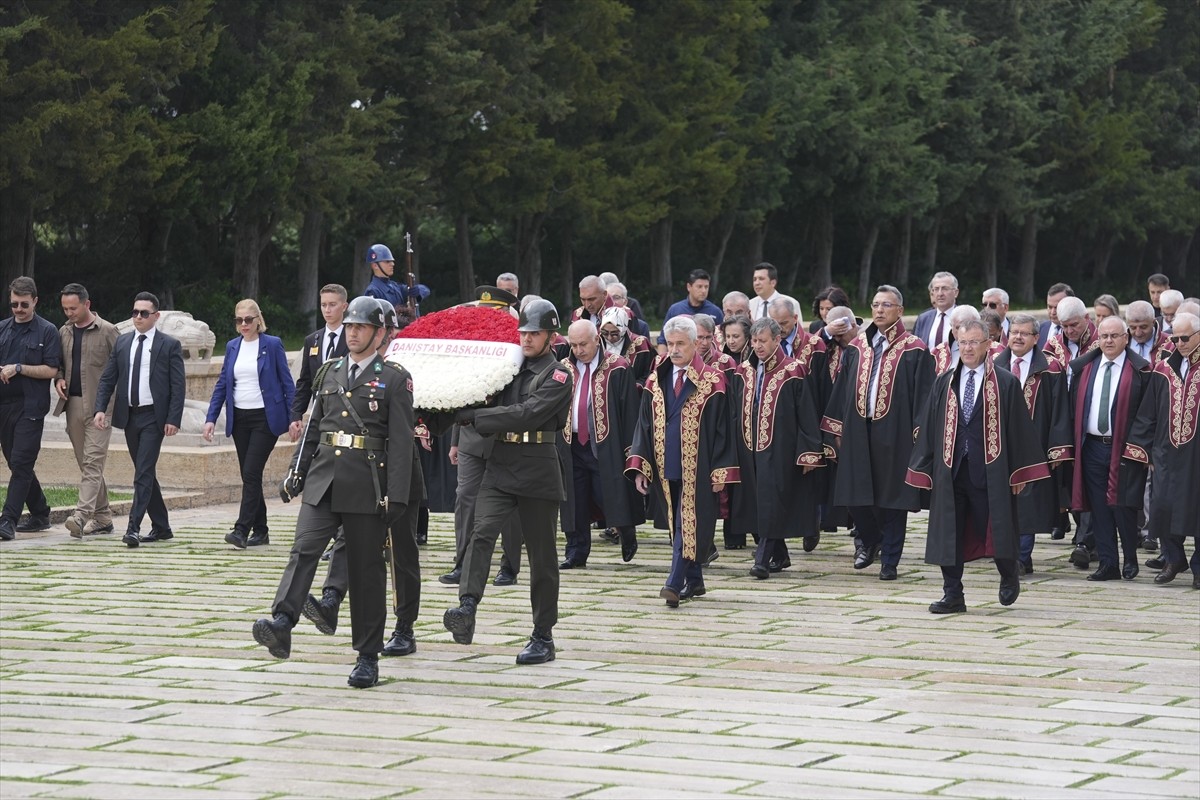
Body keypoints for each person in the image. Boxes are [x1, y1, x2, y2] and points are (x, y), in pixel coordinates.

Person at [255, 296, 416, 688]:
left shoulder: (394, 378)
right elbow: (314, 428)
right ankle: (283, 621)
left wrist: (397, 496)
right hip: (324, 479)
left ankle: (367, 656)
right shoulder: (330, 370)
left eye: (361, 327)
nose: (353, 333)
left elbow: (401, 444)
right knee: (303, 549)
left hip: (366, 485)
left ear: (379, 333)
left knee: (365, 572)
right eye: (350, 326)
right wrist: (296, 471)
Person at [442, 298, 573, 665]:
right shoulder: (507, 368)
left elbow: (527, 413)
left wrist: (477, 417)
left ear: (551, 336)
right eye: (523, 332)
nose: (526, 339)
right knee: (480, 534)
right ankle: (467, 606)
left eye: (534, 333)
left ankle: (542, 635)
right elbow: (476, 390)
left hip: (537, 469)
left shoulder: (558, 375)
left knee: (542, 557)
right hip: (500, 465)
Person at [304, 298, 428, 659]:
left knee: (401, 553)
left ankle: (404, 625)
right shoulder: (350, 366)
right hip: (358, 477)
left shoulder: (400, 371)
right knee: (347, 539)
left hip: (396, 476)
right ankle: (331, 599)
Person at [907, 320, 1051, 614]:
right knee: (949, 532)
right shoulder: (944, 382)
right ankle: (953, 594)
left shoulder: (1005, 382)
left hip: (990, 471)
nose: (968, 348)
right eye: (963, 342)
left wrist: (1019, 473)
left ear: (988, 345)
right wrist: (925, 466)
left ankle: (1009, 573)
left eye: (974, 342)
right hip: (952, 469)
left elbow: (1019, 429)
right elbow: (931, 426)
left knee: (997, 529)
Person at [822, 285, 934, 581]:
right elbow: (842, 388)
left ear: (900, 310)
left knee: (893, 499)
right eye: (875, 304)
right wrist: (836, 427)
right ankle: (871, 540)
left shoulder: (915, 348)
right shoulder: (858, 346)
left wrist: (920, 436)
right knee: (854, 495)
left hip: (897, 433)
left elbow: (925, 395)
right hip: (858, 431)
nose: (880, 310)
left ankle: (890, 562)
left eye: (886, 305)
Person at [627, 316, 738, 606]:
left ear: (695, 344)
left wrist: (721, 470)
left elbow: (724, 429)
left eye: (681, 344)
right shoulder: (655, 379)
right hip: (665, 465)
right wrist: (640, 466)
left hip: (699, 467)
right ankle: (695, 580)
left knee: (688, 522)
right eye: (670, 344)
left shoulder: (713, 381)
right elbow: (644, 425)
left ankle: (674, 584)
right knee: (677, 523)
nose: (674, 350)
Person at [729, 316, 824, 578]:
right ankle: (780, 555)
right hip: (748, 447)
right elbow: (734, 411)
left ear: (777, 340)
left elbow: (807, 413)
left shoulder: (794, 370)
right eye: (754, 341)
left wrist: (809, 451)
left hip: (781, 448)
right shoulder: (743, 371)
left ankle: (762, 560)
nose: (758, 346)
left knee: (772, 500)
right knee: (753, 503)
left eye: (763, 341)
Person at [93, 292, 186, 548]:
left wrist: (173, 418)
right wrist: (100, 409)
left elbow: (178, 386)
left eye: (144, 313)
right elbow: (108, 378)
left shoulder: (169, 345)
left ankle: (133, 528)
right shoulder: (123, 343)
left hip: (154, 418)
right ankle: (162, 527)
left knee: (143, 472)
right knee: (145, 472)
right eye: (135, 312)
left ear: (156, 316)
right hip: (130, 416)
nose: (138, 317)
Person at [203, 299, 297, 548]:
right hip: (239, 418)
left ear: (258, 320)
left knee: (252, 472)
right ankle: (261, 530)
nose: (243, 324)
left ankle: (241, 529)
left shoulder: (272, 344)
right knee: (249, 475)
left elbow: (287, 383)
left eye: (248, 319)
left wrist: (294, 417)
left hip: (265, 418)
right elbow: (222, 384)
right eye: (239, 320)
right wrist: (211, 418)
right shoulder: (232, 346)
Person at [1066, 316, 1151, 580]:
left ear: (1126, 338)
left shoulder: (1140, 371)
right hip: (1091, 447)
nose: (1109, 341)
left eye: (1115, 336)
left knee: (1123, 507)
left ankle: (1130, 559)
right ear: (1098, 339)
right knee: (1099, 509)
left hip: (1124, 448)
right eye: (1104, 336)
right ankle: (1108, 563)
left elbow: (1147, 414)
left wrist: (1138, 447)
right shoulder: (1085, 368)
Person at [991, 313, 1072, 574]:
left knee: (1028, 504)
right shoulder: (993, 364)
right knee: (1002, 502)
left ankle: (1021, 557)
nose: (1017, 337)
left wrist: (1058, 448)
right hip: (1000, 446)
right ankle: (1008, 553)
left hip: (1035, 446)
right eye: (1014, 332)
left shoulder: (1050, 368)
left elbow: (1060, 409)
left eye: (1024, 333)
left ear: (1036, 338)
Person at [559, 319, 644, 567]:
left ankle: (625, 531)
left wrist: (632, 451)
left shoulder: (617, 367)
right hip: (572, 444)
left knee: (609, 494)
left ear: (597, 340)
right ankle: (576, 552)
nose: (578, 350)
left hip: (606, 445)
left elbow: (630, 412)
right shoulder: (564, 368)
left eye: (583, 344)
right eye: (574, 345)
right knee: (574, 500)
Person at [1127, 311, 1199, 588]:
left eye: (1185, 338)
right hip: (1166, 452)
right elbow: (1148, 413)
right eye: (1175, 338)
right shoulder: (1163, 369)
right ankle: (1174, 558)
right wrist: (1144, 450)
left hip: (1196, 454)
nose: (1179, 343)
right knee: (1163, 507)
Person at [0, 277, 62, 541]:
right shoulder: (3, 329)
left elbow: (51, 369)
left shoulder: (47, 331)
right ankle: (39, 512)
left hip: (30, 407)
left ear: (35, 301)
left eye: (24, 304)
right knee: (15, 462)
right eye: (14, 304)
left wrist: (19, 368)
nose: (19, 309)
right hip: (4, 406)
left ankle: (7, 521)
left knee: (22, 462)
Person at [54, 283, 118, 538]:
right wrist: (58, 378)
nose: (69, 313)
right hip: (73, 406)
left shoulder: (108, 331)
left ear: (87, 304)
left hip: (101, 408)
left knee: (92, 462)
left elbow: (121, 367)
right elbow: (58, 364)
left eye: (73, 308)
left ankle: (80, 516)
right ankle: (103, 518)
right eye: (65, 309)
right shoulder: (64, 332)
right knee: (86, 463)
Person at [290, 284, 348, 437]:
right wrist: (296, 414)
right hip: (319, 412)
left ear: (344, 306)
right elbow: (305, 380)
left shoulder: (352, 339)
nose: (327, 310)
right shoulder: (312, 340)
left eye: (332, 305)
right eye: (323, 305)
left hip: (345, 413)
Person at [657, 269, 723, 353]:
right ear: (689, 287)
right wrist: (662, 360)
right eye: (699, 286)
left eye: (706, 287)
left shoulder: (715, 312)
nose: (703, 291)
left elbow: (721, 341)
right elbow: (663, 340)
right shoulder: (675, 310)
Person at [364, 242, 429, 313]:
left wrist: (418, 290)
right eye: (387, 261)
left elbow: (425, 290)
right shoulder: (372, 291)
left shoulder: (395, 286)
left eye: (392, 261)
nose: (392, 264)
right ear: (375, 265)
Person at [599, 307, 654, 386]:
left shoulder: (641, 345)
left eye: (614, 334)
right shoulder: (597, 342)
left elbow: (650, 373)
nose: (609, 338)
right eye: (605, 333)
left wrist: (634, 387)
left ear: (623, 330)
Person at [1046, 296, 1099, 373]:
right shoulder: (1052, 345)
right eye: (1065, 326)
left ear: (1086, 318)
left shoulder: (1102, 343)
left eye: (1074, 325)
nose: (1069, 331)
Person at [912, 271, 959, 351]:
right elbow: (914, 349)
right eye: (936, 289)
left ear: (956, 293)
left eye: (945, 289)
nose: (940, 293)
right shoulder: (923, 319)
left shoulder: (964, 317)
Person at [930, 306, 982, 376]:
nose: (963, 332)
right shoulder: (937, 354)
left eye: (968, 327)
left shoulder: (994, 353)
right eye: (958, 327)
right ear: (952, 328)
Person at [1038, 282, 1075, 350]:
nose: (1052, 312)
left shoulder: (1079, 331)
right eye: (1050, 307)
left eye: (1057, 307)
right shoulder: (1040, 329)